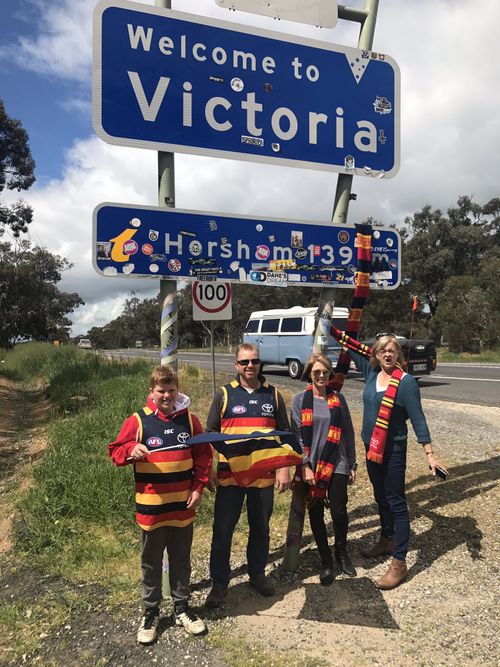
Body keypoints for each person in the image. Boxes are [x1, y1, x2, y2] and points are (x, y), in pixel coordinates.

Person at [108, 365, 212, 643]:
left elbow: (203, 455)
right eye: (161, 391)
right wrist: (131, 450)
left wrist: (199, 487)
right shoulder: (138, 421)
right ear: (151, 392)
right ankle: (150, 612)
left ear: (178, 392)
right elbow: (115, 452)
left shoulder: (190, 421)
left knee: (181, 559)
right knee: (151, 562)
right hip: (151, 508)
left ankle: (181, 608)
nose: (166, 395)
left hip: (182, 506)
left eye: (171, 390)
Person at [338, 333, 448, 590]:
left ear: (398, 354)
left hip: (393, 450)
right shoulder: (371, 373)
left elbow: (418, 419)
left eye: (392, 350)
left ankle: (399, 562)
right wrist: (327, 324)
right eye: (382, 351)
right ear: (375, 354)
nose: (387, 354)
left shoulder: (406, 383)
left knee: (397, 501)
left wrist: (429, 454)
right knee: (380, 495)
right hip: (370, 447)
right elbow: (349, 343)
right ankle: (387, 539)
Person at [204, 343, 292, 608]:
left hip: (262, 477)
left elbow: (285, 435)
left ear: (260, 363)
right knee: (222, 532)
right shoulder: (223, 395)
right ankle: (219, 584)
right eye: (244, 362)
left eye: (254, 361)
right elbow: (210, 433)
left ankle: (257, 575)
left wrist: (284, 467)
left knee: (261, 529)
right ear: (236, 366)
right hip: (230, 478)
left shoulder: (273, 395)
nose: (250, 366)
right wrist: (215, 465)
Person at [290, 353, 357, 585]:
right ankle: (326, 559)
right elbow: (296, 437)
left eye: (325, 372)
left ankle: (342, 552)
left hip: (337, 461)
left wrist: (352, 462)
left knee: (339, 510)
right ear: (309, 373)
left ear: (330, 374)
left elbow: (348, 432)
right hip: (312, 465)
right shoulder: (299, 400)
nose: (321, 375)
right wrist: (305, 465)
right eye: (316, 372)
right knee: (316, 513)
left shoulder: (338, 399)